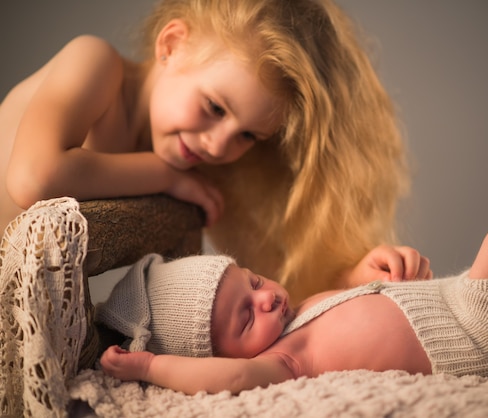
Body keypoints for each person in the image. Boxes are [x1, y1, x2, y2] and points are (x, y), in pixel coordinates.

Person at [0, 0, 408, 304]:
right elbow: (33, 177)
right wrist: (166, 175)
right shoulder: (95, 62)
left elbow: (273, 281)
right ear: (172, 45)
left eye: (248, 136)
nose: (218, 145)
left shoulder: (197, 157)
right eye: (214, 107)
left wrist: (350, 277)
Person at [98, 223, 488, 396]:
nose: (267, 299)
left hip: (457, 303)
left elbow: (357, 309)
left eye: (255, 281)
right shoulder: (281, 363)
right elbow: (230, 381)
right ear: (226, 356)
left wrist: (372, 276)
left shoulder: (299, 313)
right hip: (473, 337)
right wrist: (150, 366)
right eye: (246, 317)